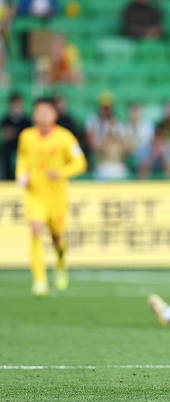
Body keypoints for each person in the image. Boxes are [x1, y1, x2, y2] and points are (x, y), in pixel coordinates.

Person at [15, 97, 87, 297]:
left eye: (47, 111)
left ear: (55, 114)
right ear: (33, 114)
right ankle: (39, 280)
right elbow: (22, 159)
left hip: (57, 197)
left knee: (57, 238)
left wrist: (61, 172)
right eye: (39, 111)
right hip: (35, 194)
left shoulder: (64, 137)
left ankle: (60, 263)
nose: (43, 115)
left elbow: (80, 163)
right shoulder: (26, 136)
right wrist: (21, 175)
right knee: (36, 229)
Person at [1, 92, 31, 180]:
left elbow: (28, 135)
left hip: (23, 145)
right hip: (10, 146)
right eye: (15, 104)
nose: (17, 106)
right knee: (6, 153)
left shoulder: (26, 120)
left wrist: (15, 133)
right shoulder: (6, 119)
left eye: (19, 104)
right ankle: (7, 178)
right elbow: (7, 136)